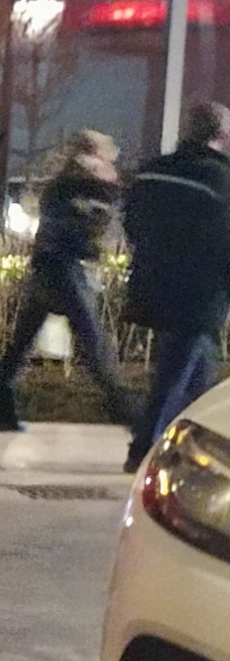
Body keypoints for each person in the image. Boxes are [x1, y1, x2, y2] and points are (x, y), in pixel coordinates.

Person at [0, 130, 135, 434]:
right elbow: (93, 226)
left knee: (22, 342)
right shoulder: (94, 186)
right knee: (94, 345)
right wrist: (107, 185)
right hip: (70, 270)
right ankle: (128, 412)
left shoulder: (58, 185)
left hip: (45, 267)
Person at [122, 100, 230, 468]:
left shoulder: (154, 171)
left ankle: (193, 453)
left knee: (200, 375)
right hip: (200, 294)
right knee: (174, 376)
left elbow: (132, 221)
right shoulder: (222, 180)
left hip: (154, 283)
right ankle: (145, 449)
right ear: (222, 134)